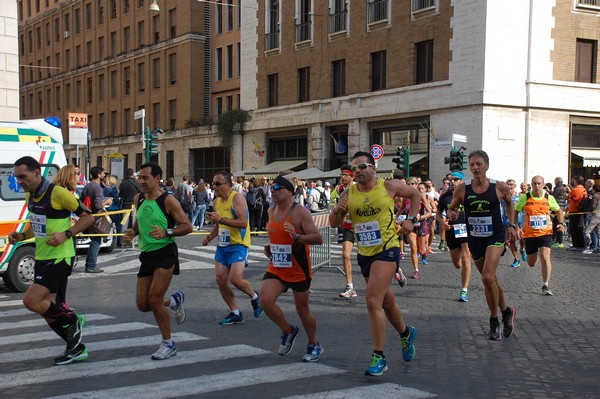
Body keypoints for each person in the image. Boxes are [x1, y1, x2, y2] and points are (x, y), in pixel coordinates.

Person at [329, 151, 420, 376]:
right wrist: (338, 212)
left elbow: (415, 195)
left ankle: (379, 356)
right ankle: (406, 333)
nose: (358, 171)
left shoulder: (388, 186)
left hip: (387, 249)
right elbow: (333, 224)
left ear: (373, 168)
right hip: (365, 253)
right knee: (386, 302)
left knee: (372, 301)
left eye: (362, 167)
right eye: (355, 168)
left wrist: (411, 219)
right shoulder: (348, 193)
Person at [9, 156, 94, 365]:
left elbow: (88, 217)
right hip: (42, 257)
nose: (19, 181)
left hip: (61, 257)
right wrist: (21, 236)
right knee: (47, 310)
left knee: (31, 300)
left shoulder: (57, 193)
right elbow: (38, 226)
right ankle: (76, 348)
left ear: (37, 173)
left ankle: (73, 319)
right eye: (16, 177)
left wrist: (67, 234)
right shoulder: (31, 196)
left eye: (22, 176)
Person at [122, 162, 192, 360]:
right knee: (143, 304)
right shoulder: (139, 199)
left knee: (154, 299)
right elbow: (138, 224)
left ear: (157, 178)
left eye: (145, 178)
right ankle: (174, 301)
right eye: (140, 177)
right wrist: (131, 232)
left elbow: (187, 226)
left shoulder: (168, 200)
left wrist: (167, 232)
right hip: (147, 255)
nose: (141, 181)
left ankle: (168, 343)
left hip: (165, 253)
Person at [447, 150, 517, 341]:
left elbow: (511, 205)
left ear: (487, 166)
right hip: (475, 238)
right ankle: (507, 311)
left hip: (495, 236)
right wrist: (451, 214)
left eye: (479, 164)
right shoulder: (462, 188)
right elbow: (451, 209)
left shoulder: (499, 187)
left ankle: (494, 321)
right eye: (472, 165)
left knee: (487, 277)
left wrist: (511, 225)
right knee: (490, 280)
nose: (475, 168)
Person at [259, 175, 324, 362]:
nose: (273, 190)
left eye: (277, 187)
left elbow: (317, 238)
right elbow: (278, 236)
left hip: (298, 268)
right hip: (278, 266)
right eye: (272, 187)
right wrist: (271, 248)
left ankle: (314, 344)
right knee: (265, 300)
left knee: (302, 310)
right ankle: (288, 330)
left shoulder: (300, 212)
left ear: (289, 191)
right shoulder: (271, 211)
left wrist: (297, 236)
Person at [202, 170, 263, 325]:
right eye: (213, 183)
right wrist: (209, 237)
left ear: (228, 185)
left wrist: (221, 219)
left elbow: (243, 222)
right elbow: (218, 225)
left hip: (238, 244)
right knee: (220, 279)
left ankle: (255, 297)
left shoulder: (237, 198)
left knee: (235, 279)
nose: (214, 187)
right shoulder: (216, 202)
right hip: (223, 245)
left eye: (218, 183)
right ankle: (235, 312)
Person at [514, 175, 565, 296]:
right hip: (530, 234)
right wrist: (516, 226)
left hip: (545, 232)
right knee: (532, 263)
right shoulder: (525, 197)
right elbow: (516, 211)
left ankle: (546, 285)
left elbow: (558, 210)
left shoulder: (549, 197)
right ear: (531, 185)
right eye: (534, 183)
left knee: (545, 257)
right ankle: (526, 252)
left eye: (539, 183)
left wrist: (561, 223)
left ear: (543, 185)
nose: (536, 186)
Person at [436, 171, 472, 302]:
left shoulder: (468, 195)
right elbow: (438, 214)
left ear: (462, 181)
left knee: (466, 258)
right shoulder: (445, 197)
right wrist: (442, 222)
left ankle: (464, 290)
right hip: (451, 230)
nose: (452, 181)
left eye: (455, 179)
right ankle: (464, 270)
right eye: (450, 179)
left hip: (465, 230)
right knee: (457, 263)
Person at [81, 166, 113, 273]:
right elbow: (98, 205)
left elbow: (82, 201)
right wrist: (107, 202)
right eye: (103, 173)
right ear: (99, 175)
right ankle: (91, 265)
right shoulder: (97, 188)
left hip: (88, 217)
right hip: (96, 218)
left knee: (94, 241)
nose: (104, 175)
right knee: (96, 242)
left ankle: (89, 264)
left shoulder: (87, 186)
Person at [335, 165, 358, 298]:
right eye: (341, 175)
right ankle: (350, 286)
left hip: (361, 226)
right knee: (345, 254)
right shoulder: (341, 189)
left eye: (345, 175)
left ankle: (395, 269)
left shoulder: (358, 188)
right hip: (348, 226)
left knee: (370, 258)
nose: (342, 177)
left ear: (352, 176)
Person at [567, 175, 586, 250]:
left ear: (575, 181)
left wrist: (569, 190)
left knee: (574, 229)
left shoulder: (575, 190)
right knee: (579, 228)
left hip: (574, 211)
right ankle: (580, 244)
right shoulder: (584, 189)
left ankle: (577, 245)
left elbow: (567, 197)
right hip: (580, 211)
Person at [103, 175, 122, 247]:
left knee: (108, 225)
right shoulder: (113, 189)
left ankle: (107, 238)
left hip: (107, 209)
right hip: (114, 209)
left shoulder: (104, 189)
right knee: (118, 225)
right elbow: (116, 200)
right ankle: (119, 241)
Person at [582, 184, 600, 255]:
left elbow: (593, 206)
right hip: (599, 216)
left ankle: (588, 247)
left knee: (587, 231)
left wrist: (588, 210)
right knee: (598, 232)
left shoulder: (595, 196)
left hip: (594, 216)